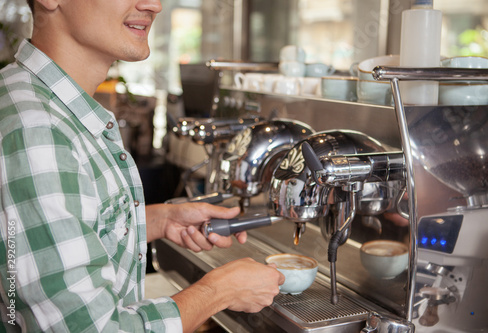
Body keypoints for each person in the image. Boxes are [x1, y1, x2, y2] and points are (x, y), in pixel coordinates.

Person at [0, 0, 284, 332]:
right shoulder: (38, 130)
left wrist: (155, 220)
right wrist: (220, 291)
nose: (154, 5)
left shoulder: (43, 102)